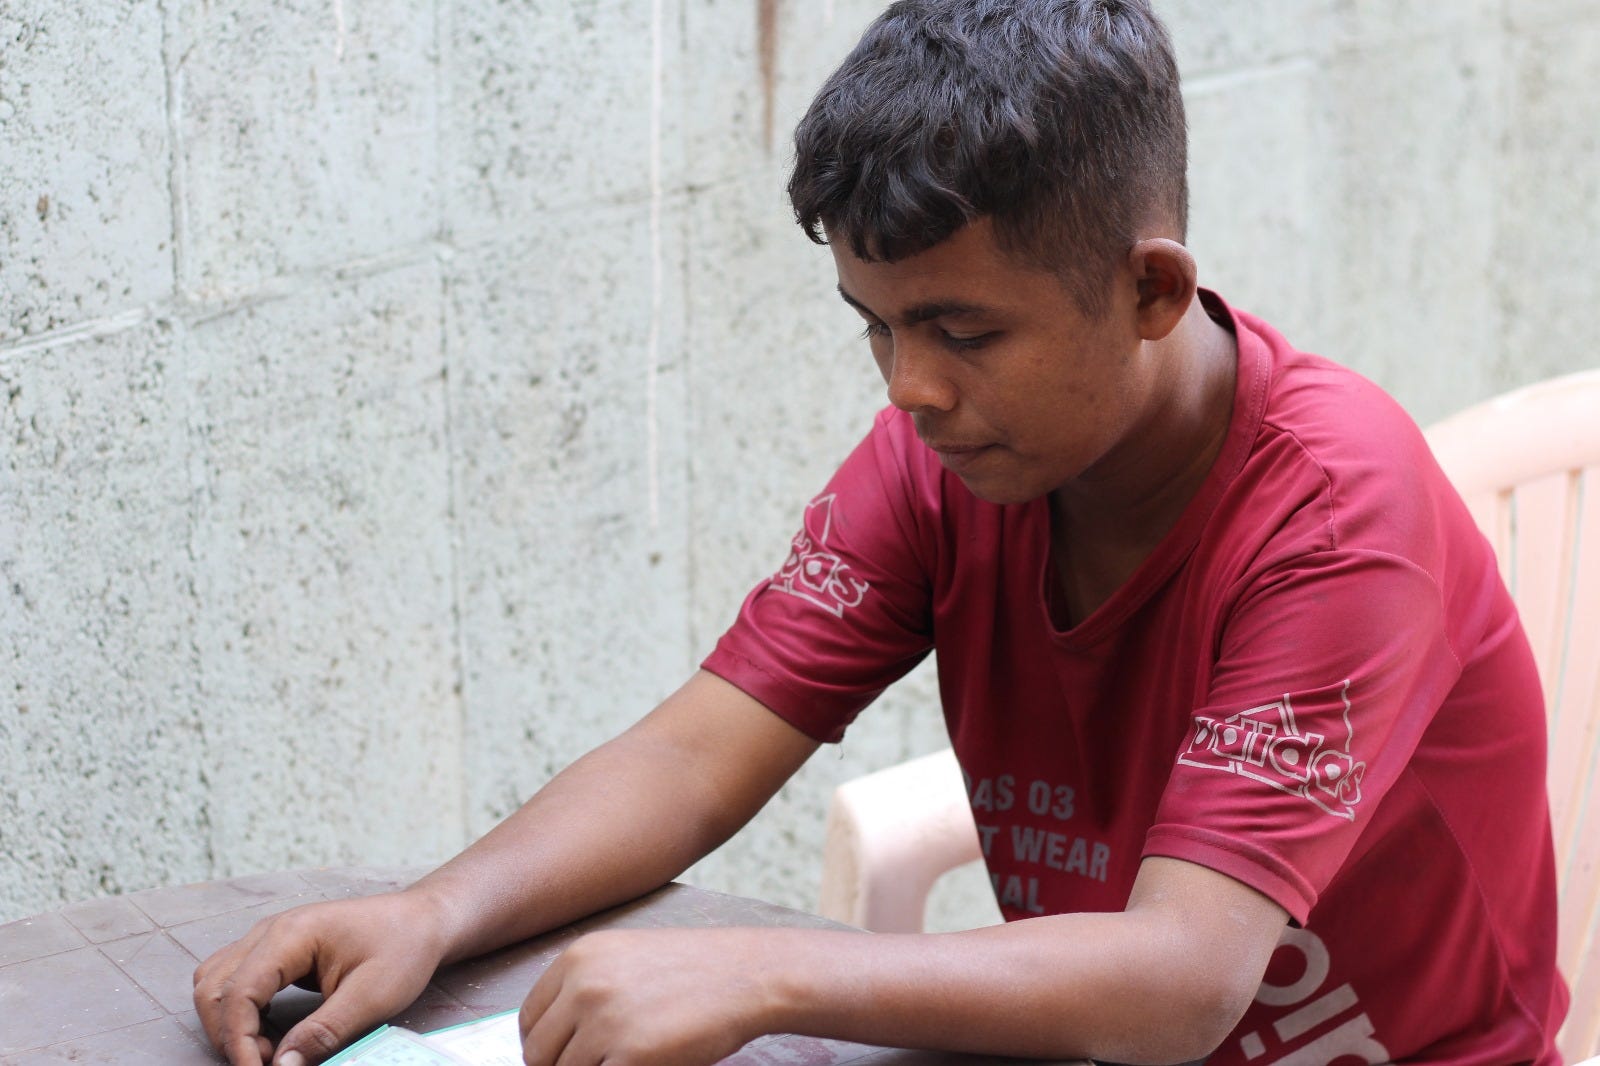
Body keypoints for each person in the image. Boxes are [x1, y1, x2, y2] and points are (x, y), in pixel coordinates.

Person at [193, 1, 1569, 1063]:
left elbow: (1183, 977)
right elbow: (695, 753)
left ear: (1151, 291)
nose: (909, 388)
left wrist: (763, 969)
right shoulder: (948, 464)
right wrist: (431, 912)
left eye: (962, 330)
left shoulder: (1336, 514)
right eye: (878, 326)